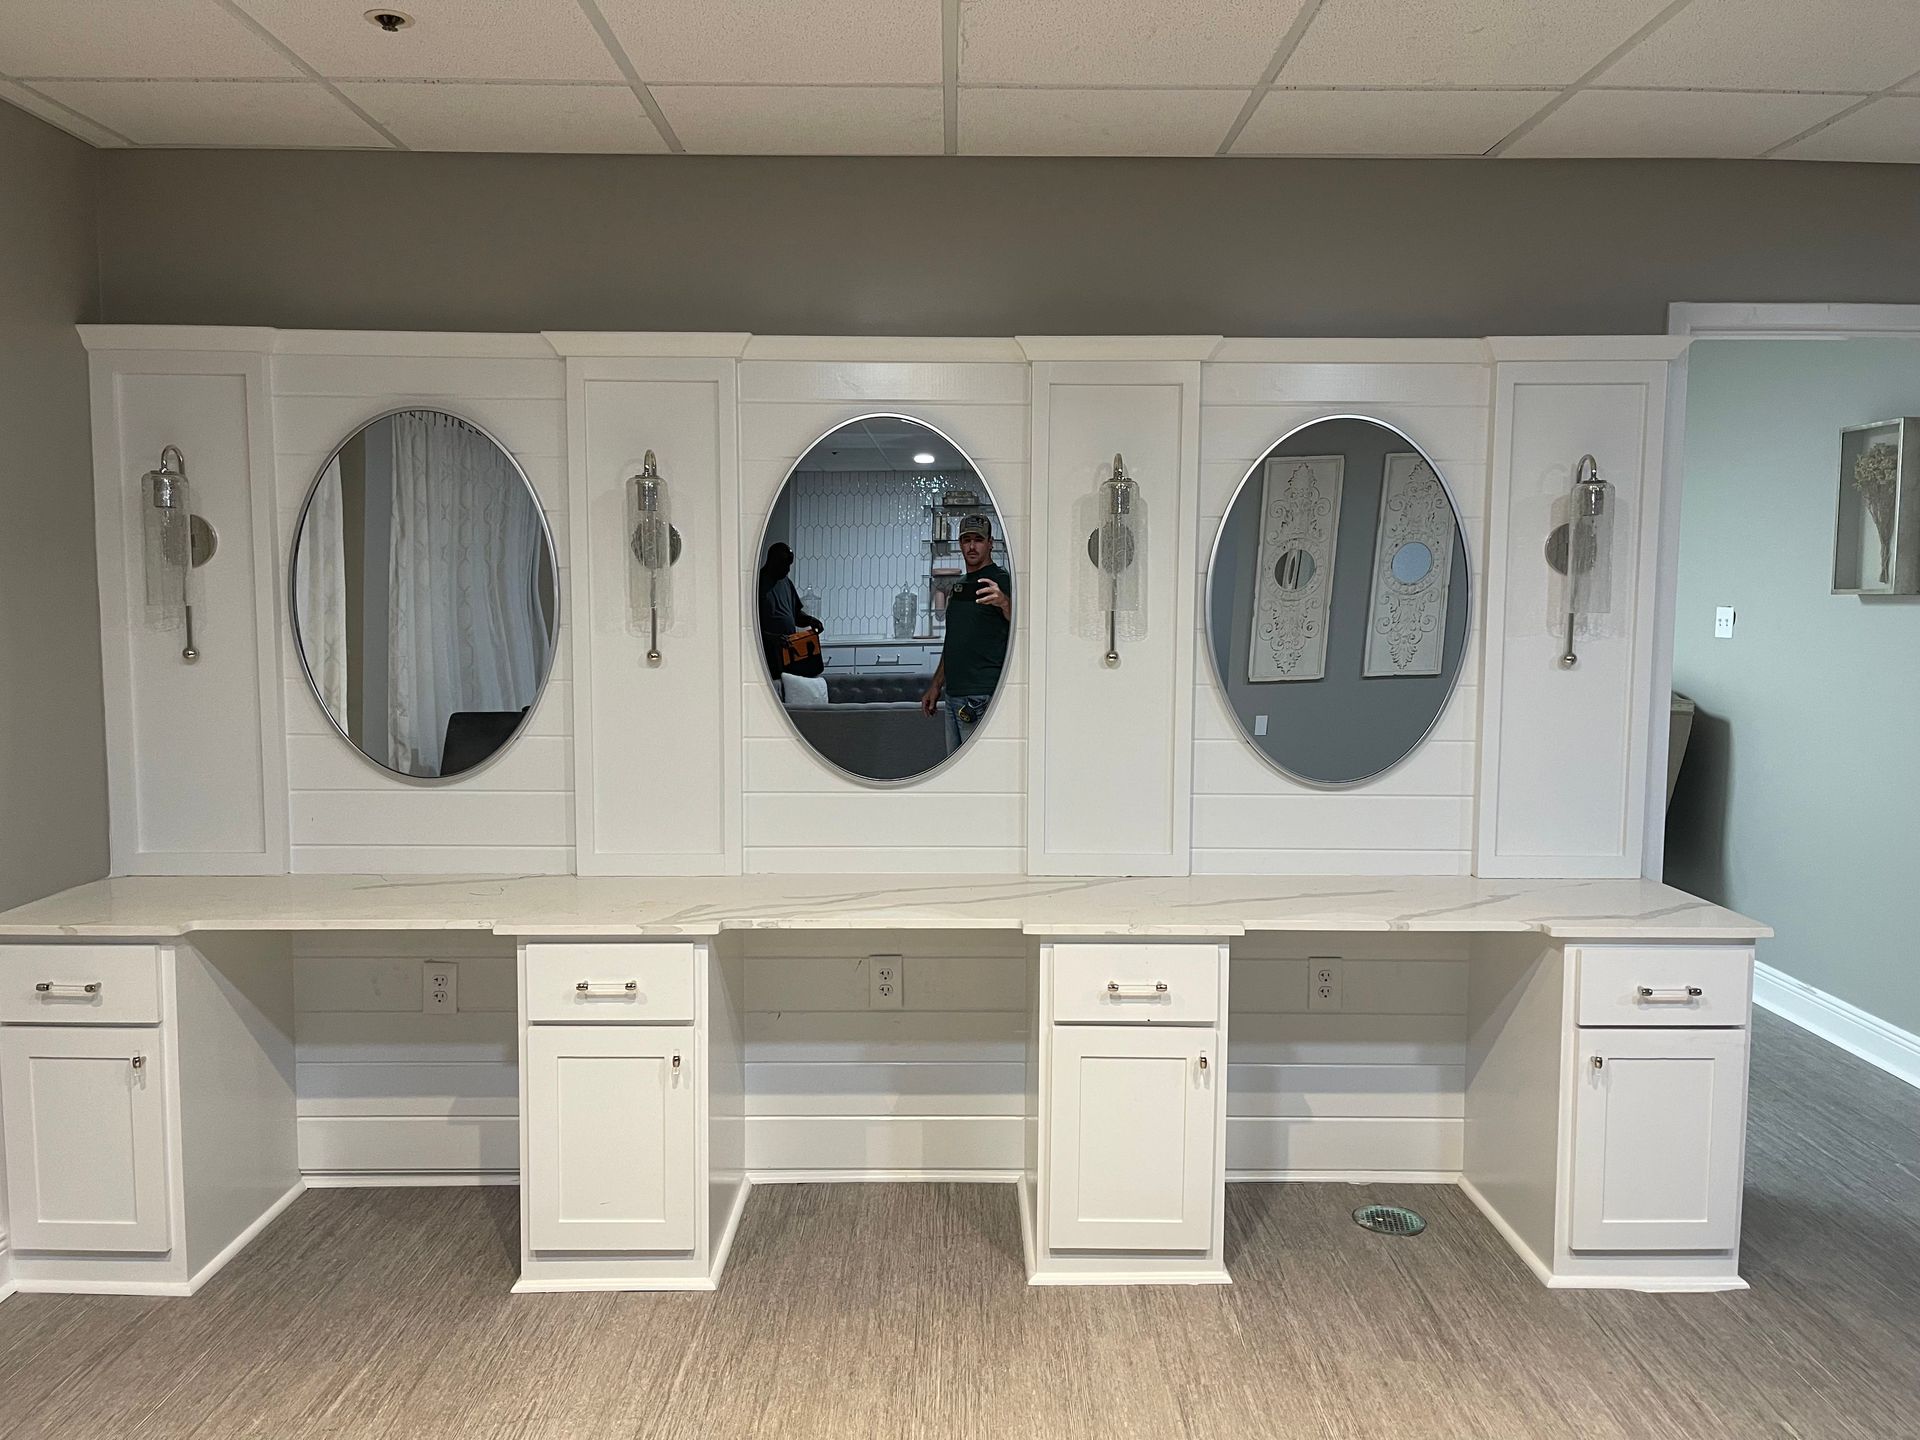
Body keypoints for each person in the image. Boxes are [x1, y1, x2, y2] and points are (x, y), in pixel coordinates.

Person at [920, 514, 1012, 755]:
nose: (972, 546)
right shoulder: (960, 585)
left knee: (979, 769)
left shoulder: (1001, 580)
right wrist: (936, 684)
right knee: (956, 771)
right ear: (960, 543)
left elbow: (1022, 624)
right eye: (966, 540)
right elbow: (954, 640)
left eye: (978, 540)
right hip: (952, 695)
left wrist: (1004, 602)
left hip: (981, 693)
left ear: (990, 543)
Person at [758, 542, 823, 677]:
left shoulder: (786, 582)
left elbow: (796, 616)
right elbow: (750, 627)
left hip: (791, 654)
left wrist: (811, 620)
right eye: (784, 564)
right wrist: (774, 638)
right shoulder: (758, 584)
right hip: (768, 658)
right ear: (773, 561)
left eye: (789, 564)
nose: (788, 569)